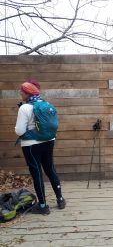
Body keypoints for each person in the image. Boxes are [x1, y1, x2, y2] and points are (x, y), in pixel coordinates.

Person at [15, 80, 66, 215]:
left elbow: (19, 131)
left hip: (31, 145)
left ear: (27, 93)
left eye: (22, 91)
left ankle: (43, 206)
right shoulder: (46, 104)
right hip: (49, 141)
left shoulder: (24, 108)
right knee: (50, 169)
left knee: (37, 173)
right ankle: (60, 199)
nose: (20, 93)